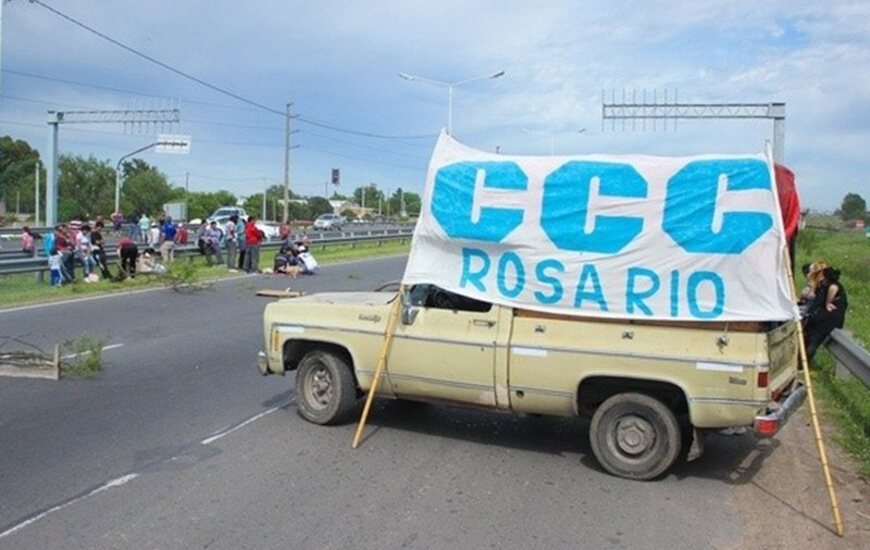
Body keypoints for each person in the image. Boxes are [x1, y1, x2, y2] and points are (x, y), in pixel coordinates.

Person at [804, 267, 848, 361]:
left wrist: (828, 303)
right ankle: (804, 362)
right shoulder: (828, 285)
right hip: (826, 319)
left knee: (811, 341)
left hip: (824, 319)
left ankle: (803, 362)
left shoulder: (832, 286)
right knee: (813, 341)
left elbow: (830, 292)